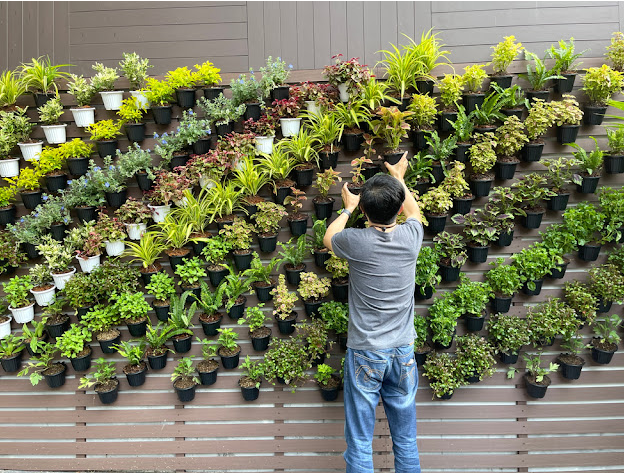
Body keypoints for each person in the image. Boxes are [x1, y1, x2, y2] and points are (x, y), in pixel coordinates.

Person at [323, 152, 423, 473]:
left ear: (365, 210)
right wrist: (399, 177)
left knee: (361, 443)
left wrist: (348, 208)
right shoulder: (412, 237)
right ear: (397, 208)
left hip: (366, 352)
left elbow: (329, 237)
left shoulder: (356, 240)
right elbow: (413, 210)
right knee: (406, 442)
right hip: (403, 352)